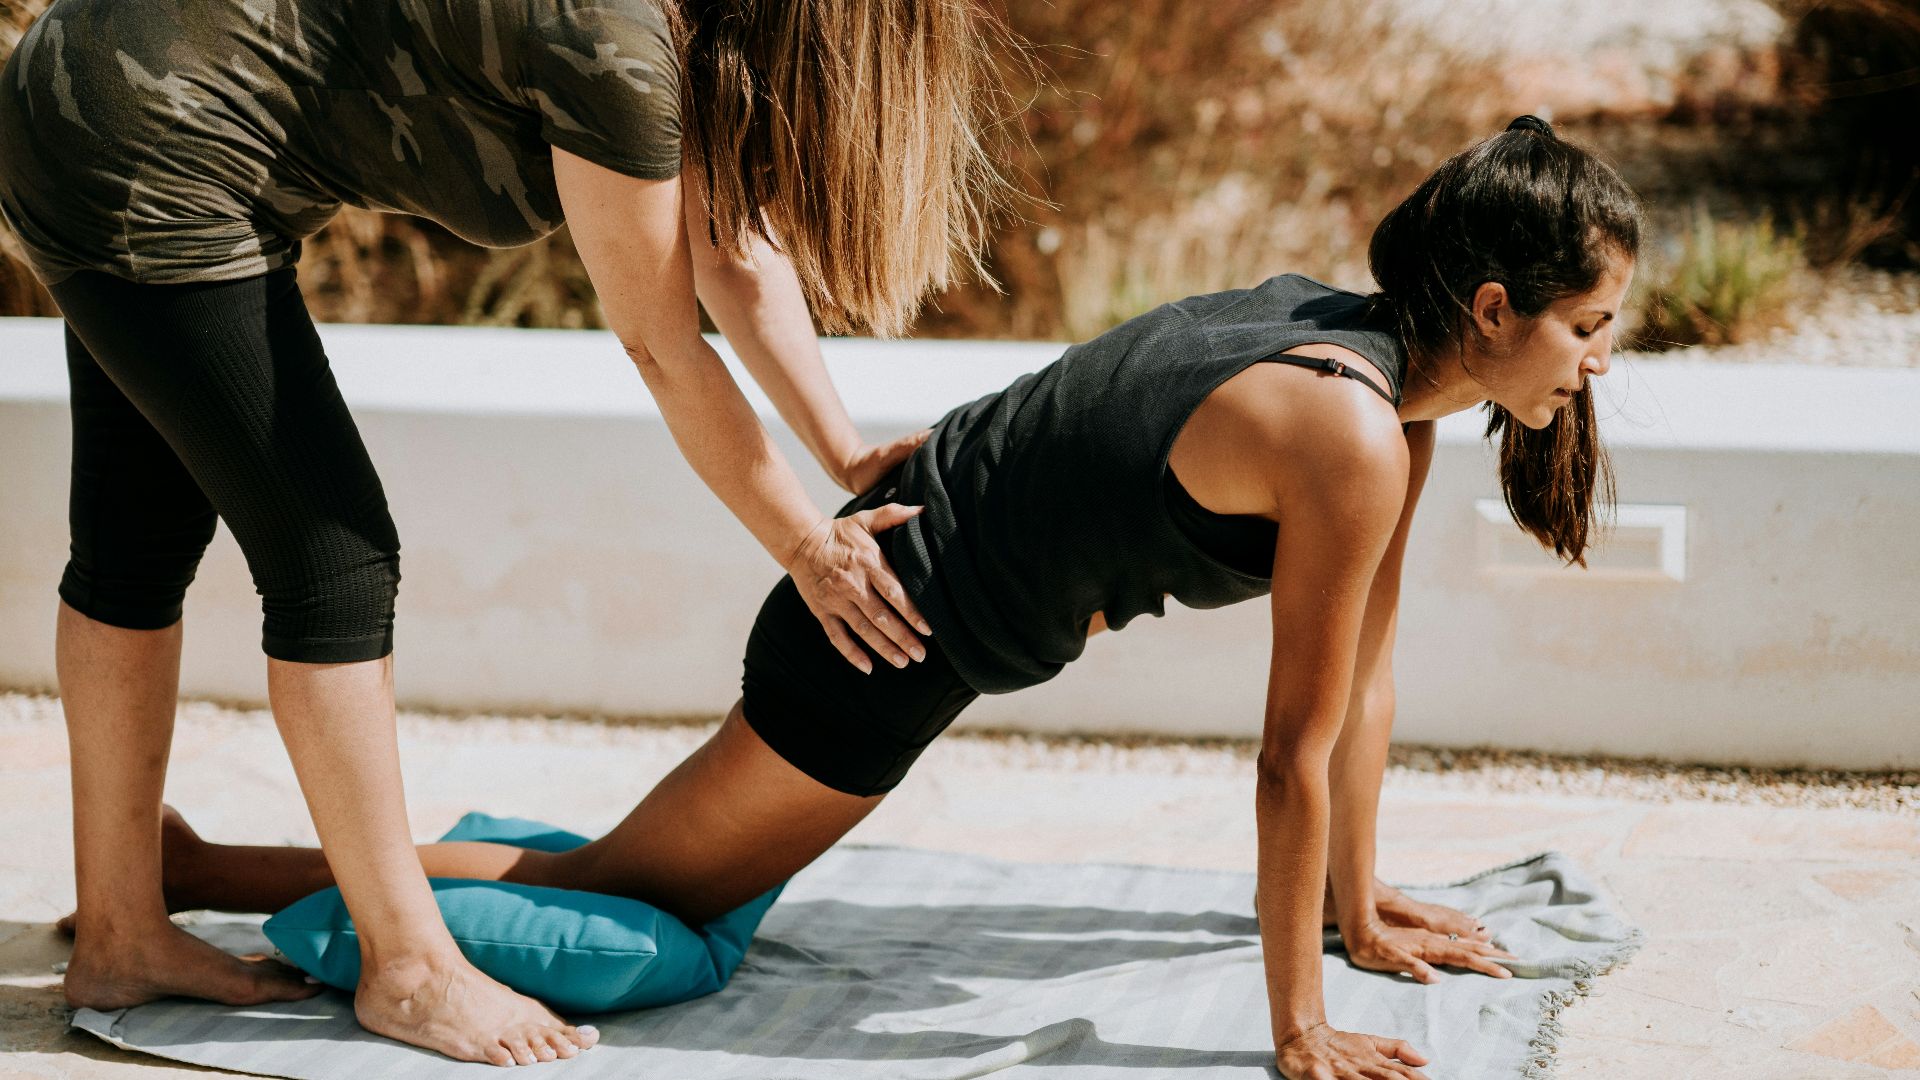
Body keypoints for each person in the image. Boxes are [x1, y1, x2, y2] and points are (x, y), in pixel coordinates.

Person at [125, 116, 1644, 1079]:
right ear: (1493, 308)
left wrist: (1358, 909)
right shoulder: (1351, 430)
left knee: (636, 865)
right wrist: (1298, 1024)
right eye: (1587, 324)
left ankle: (221, 855)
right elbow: (1288, 754)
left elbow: (1361, 689)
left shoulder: (1387, 383)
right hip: (885, 627)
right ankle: (226, 869)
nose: (1598, 359)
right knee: (636, 890)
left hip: (915, 589)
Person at [0, 0, 1015, 1065]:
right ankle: (410, 968)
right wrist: (809, 547)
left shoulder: (681, 34)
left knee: (135, 543)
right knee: (334, 562)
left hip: (104, 94)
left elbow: (731, 255)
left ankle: (121, 933)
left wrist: (845, 454)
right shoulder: (619, 44)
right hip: (141, 131)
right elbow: (663, 347)